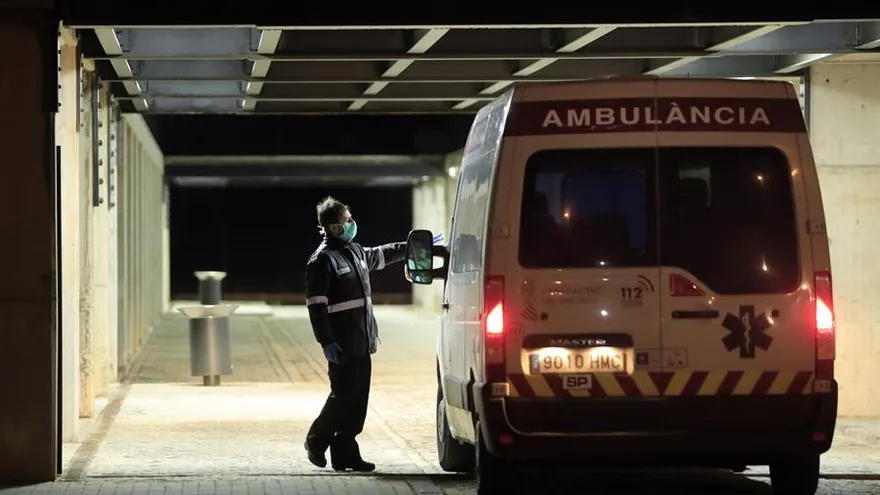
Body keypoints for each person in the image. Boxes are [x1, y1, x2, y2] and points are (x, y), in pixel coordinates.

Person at [303, 196, 407, 472]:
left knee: (359, 399)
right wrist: (326, 341)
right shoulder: (321, 261)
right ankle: (316, 440)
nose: (352, 223)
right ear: (334, 227)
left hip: (363, 339)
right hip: (342, 343)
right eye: (347, 220)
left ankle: (345, 452)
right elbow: (316, 306)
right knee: (343, 395)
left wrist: (412, 248)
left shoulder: (356, 252)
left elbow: (383, 254)